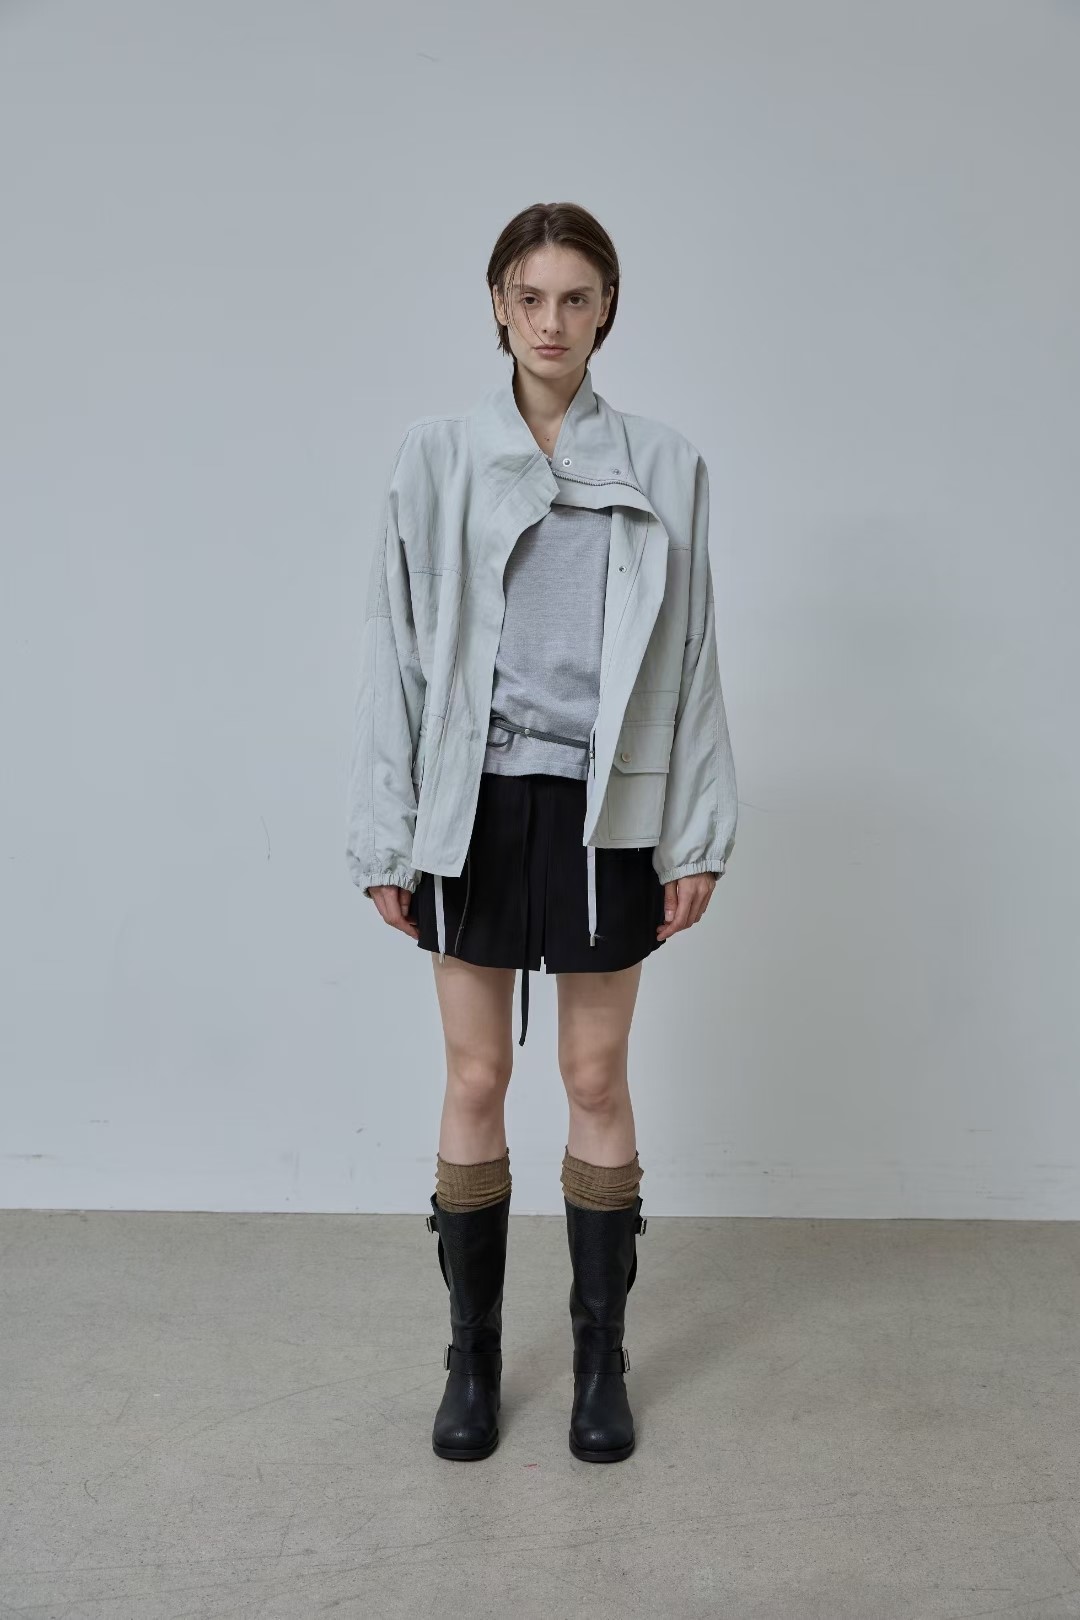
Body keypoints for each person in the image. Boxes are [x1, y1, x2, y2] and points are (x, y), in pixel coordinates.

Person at [346, 201, 737, 1464]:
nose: (552, 321)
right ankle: (469, 1363)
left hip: (605, 806)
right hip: (470, 803)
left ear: (607, 307)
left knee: (594, 1078)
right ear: (498, 305)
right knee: (474, 1077)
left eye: (576, 297)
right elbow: (396, 651)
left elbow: (692, 655)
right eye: (531, 296)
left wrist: (696, 833)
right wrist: (387, 835)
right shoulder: (435, 457)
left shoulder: (665, 464)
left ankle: (598, 1363)